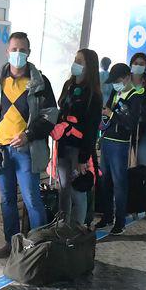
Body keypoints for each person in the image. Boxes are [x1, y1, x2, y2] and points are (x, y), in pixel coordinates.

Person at [0, 31, 58, 259]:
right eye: (14, 50)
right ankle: (10, 243)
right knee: (7, 200)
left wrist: (29, 134)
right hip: (1, 151)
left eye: (22, 50)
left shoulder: (39, 82)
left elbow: (51, 116)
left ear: (29, 52)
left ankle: (38, 247)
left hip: (26, 152)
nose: (18, 54)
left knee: (32, 199)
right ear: (7, 51)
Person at [97, 54, 146, 233]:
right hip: (107, 141)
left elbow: (130, 123)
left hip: (120, 144)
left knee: (119, 183)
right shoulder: (116, 93)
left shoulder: (135, 96)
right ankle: (107, 216)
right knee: (105, 181)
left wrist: (112, 115)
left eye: (117, 80)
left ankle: (120, 222)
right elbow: (106, 112)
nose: (115, 84)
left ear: (125, 78)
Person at [53, 49, 102, 225]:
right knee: (63, 189)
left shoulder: (93, 95)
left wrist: (83, 158)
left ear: (89, 66)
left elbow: (91, 130)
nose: (75, 63)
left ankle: (78, 231)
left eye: (80, 61)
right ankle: (63, 226)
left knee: (77, 191)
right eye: (75, 59)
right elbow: (60, 109)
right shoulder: (69, 86)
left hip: (78, 149)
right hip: (63, 145)